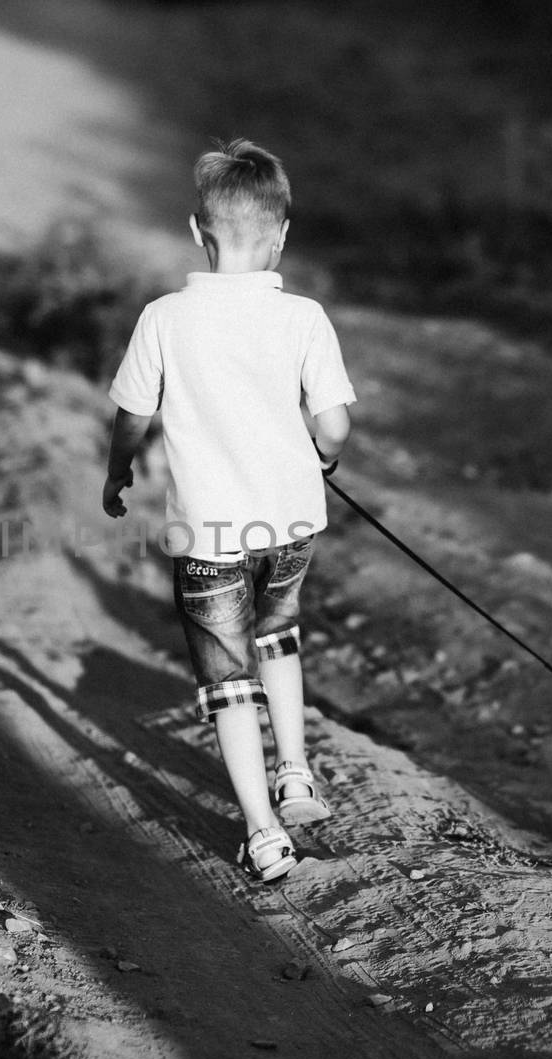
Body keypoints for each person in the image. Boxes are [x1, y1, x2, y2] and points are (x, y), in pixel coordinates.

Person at [101, 138, 355, 882]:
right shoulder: (304, 316)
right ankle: (298, 772)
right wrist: (325, 456)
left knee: (228, 677)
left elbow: (131, 418)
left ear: (194, 231)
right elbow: (333, 424)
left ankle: (263, 832)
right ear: (281, 235)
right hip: (291, 524)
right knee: (280, 633)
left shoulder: (163, 319)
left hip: (210, 531)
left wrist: (117, 473)